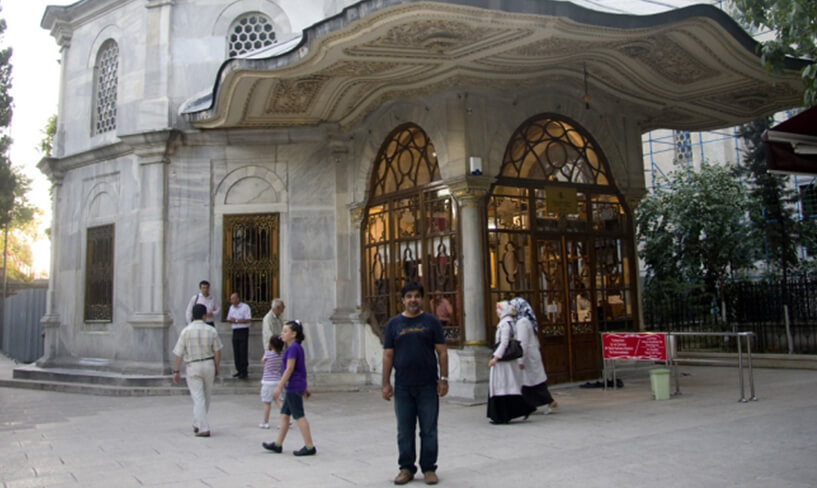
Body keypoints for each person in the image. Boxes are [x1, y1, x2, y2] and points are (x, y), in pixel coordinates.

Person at [382, 282, 448, 486]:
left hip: (428, 384)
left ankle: (429, 468)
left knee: (429, 428)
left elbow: (442, 352)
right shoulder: (394, 324)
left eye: (416, 296)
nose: (412, 300)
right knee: (404, 429)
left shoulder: (431, 322)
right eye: (408, 296)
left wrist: (443, 379)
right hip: (403, 386)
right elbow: (387, 355)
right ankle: (406, 468)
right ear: (402, 300)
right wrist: (385, 383)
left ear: (422, 299)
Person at [262, 320, 316, 456]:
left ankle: (309, 446)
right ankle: (278, 444)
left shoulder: (292, 348)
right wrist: (304, 387)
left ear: (294, 334)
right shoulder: (296, 347)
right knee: (285, 415)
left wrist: (279, 386)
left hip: (292, 386)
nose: (282, 334)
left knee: (299, 416)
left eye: (285, 331)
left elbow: (290, 368)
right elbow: (301, 369)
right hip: (296, 385)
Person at [172, 304, 223, 437]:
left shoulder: (186, 331)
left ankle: (202, 426)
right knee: (206, 396)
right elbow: (217, 350)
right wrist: (217, 366)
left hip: (193, 365)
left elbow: (179, 353)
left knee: (198, 397)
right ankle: (198, 422)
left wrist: (176, 370)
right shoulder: (211, 330)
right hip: (209, 363)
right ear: (205, 316)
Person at [487, 300, 534, 424]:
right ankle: (505, 414)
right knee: (508, 386)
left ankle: (503, 415)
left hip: (503, 362)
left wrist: (496, 357)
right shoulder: (509, 323)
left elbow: (504, 342)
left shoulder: (505, 325)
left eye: (499, 310)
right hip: (506, 361)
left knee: (503, 386)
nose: (497, 312)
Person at [510, 297, 558, 414]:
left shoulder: (522, 322)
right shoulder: (524, 320)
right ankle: (530, 405)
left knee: (533, 382)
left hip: (528, 357)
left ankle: (547, 401)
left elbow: (523, 342)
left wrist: (520, 360)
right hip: (531, 356)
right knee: (530, 382)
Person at [259, 335, 285, 429]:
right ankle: (286, 420)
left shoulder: (267, 354)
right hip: (277, 381)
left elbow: (262, 361)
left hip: (267, 381)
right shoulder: (282, 355)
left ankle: (265, 422)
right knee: (279, 401)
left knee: (267, 403)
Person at [227, 292, 252, 379]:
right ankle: (238, 370)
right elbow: (229, 319)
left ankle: (244, 370)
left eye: (233, 299)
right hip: (235, 330)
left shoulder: (245, 307)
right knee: (236, 350)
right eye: (231, 299)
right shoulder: (231, 308)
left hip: (243, 330)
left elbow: (248, 319)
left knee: (243, 351)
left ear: (238, 299)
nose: (232, 301)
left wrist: (237, 321)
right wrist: (232, 321)